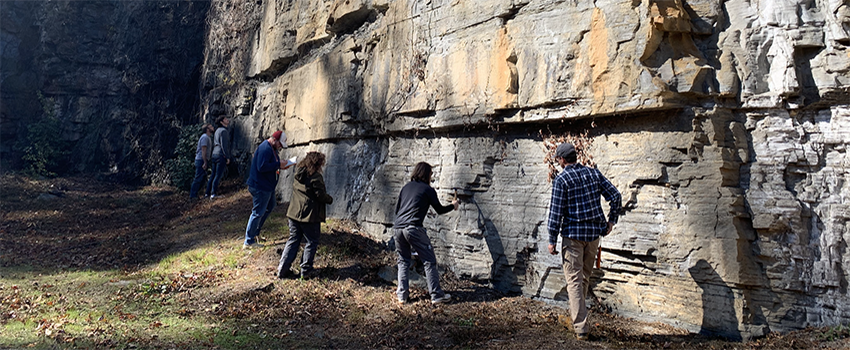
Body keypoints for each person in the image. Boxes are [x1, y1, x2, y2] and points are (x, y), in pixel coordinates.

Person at [547, 142, 621, 341]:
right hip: (594, 236)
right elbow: (615, 195)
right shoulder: (593, 173)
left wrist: (552, 239)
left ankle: (580, 327)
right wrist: (611, 220)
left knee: (573, 281)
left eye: (558, 160)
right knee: (584, 278)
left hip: (573, 237)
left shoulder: (562, 180)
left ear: (563, 160)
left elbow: (556, 213)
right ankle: (579, 319)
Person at [392, 162, 458, 305]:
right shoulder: (428, 190)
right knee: (429, 260)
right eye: (430, 174)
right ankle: (436, 295)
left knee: (403, 260)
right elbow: (439, 210)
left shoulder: (405, 187)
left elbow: (398, 210)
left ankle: (402, 295)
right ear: (426, 174)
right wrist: (453, 206)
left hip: (398, 227)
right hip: (413, 228)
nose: (431, 177)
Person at [277, 151, 334, 279]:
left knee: (293, 240)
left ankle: (282, 269)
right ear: (317, 163)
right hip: (309, 216)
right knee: (312, 241)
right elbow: (320, 195)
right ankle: (306, 270)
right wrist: (329, 199)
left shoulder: (298, 173)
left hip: (293, 214)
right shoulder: (316, 177)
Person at [243, 131, 292, 249]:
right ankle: (249, 241)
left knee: (270, 206)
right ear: (274, 140)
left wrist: (280, 164)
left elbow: (271, 164)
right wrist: (278, 164)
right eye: (280, 144)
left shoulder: (271, 149)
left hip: (267, 186)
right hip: (260, 187)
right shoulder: (266, 149)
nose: (280, 147)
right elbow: (262, 166)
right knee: (258, 212)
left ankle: (254, 233)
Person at [207, 116, 232, 199]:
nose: (227, 120)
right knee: (218, 175)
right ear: (221, 122)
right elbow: (224, 145)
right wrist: (227, 157)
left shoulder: (217, 130)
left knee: (213, 174)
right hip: (220, 154)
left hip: (214, 153)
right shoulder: (224, 131)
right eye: (225, 119)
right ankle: (213, 193)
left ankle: (207, 193)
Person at [189, 123, 214, 199]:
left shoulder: (208, 137)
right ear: (207, 129)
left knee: (202, 179)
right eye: (210, 126)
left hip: (202, 160)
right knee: (198, 178)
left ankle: (195, 194)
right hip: (201, 160)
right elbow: (203, 150)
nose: (212, 127)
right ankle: (192, 196)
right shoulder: (205, 137)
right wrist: (205, 162)